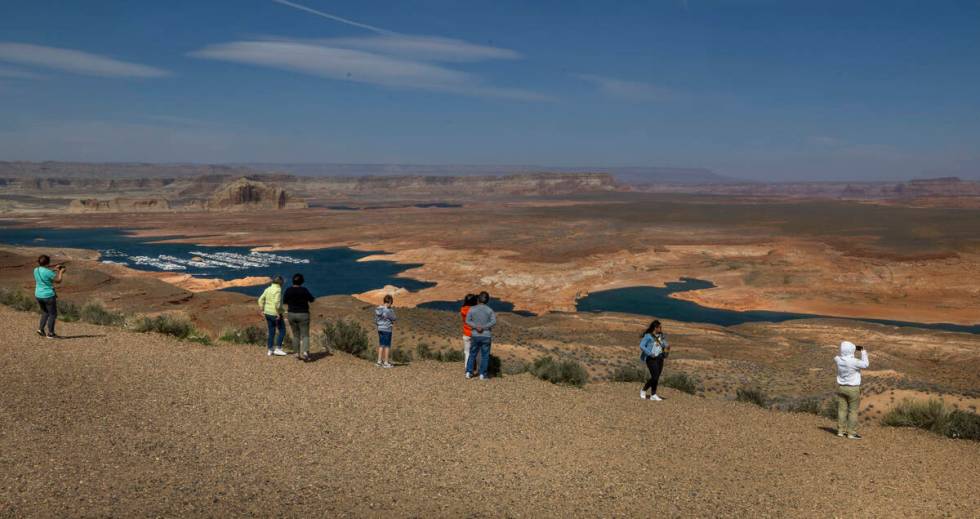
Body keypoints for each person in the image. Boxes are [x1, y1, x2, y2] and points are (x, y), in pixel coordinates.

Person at [834, 341, 869, 439]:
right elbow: (866, 364)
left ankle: (840, 431)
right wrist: (863, 351)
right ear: (851, 351)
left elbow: (839, 356)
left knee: (842, 410)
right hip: (853, 389)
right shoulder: (853, 362)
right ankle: (851, 433)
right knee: (853, 411)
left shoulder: (838, 360)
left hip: (841, 387)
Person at [464, 291, 496, 380]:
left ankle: (468, 372)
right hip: (486, 336)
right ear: (487, 300)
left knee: (472, 354)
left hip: (475, 335)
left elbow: (467, 320)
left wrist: (476, 327)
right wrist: (484, 327)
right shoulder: (490, 310)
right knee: (485, 355)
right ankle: (482, 374)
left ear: (478, 299)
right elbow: (493, 322)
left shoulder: (472, 309)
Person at [283, 273, 315, 361]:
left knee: (295, 335)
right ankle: (305, 352)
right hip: (303, 314)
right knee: (305, 335)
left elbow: (284, 301)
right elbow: (311, 299)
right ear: (302, 281)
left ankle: (296, 353)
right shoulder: (304, 290)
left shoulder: (288, 290)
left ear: (293, 281)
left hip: (291, 314)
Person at [34, 255, 65, 339]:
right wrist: (61, 272)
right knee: (52, 314)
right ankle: (51, 334)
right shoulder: (48, 272)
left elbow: (44, 273)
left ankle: (41, 329)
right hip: (48, 296)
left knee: (45, 312)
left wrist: (55, 269)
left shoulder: (36, 270)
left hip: (38, 295)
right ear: (48, 262)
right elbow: (58, 281)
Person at [639, 320, 669, 401]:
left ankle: (653, 394)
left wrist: (667, 346)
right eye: (659, 327)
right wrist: (649, 353)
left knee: (656, 377)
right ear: (655, 328)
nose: (661, 329)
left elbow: (664, 343)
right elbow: (641, 345)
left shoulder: (661, 335)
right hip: (651, 358)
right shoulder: (648, 336)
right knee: (655, 376)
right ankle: (643, 390)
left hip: (660, 358)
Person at [258, 276, 287, 357]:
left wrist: (262, 310)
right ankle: (278, 348)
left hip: (267, 313)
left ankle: (270, 349)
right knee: (282, 330)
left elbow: (260, 299)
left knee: (271, 331)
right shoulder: (278, 290)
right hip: (275, 314)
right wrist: (278, 313)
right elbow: (277, 304)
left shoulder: (268, 289)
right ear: (280, 283)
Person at [375, 294, 397, 368]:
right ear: (389, 302)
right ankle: (386, 363)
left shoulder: (378, 309)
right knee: (387, 346)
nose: (391, 305)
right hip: (387, 330)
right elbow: (394, 318)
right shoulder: (388, 310)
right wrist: (391, 310)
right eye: (391, 303)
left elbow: (375, 320)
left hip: (380, 329)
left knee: (381, 345)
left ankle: (379, 362)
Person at [460, 293, 477, 368]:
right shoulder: (475, 310)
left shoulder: (462, 310)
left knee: (467, 352)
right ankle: (477, 368)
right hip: (475, 334)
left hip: (466, 333)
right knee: (477, 352)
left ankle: (467, 369)